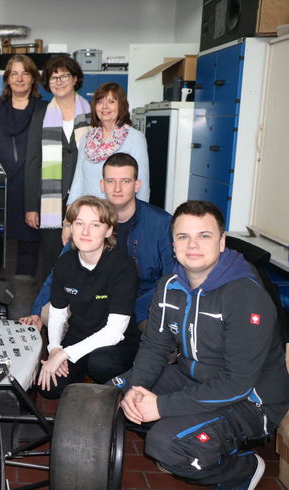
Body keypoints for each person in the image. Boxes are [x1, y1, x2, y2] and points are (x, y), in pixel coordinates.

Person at [112, 201, 289, 489]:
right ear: (173, 244)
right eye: (183, 237)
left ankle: (241, 468)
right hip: (193, 378)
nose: (192, 245)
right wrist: (137, 388)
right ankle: (189, 432)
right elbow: (155, 346)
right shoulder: (169, 285)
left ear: (221, 242)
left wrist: (161, 406)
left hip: (251, 400)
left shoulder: (244, 296)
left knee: (165, 445)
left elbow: (237, 384)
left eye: (204, 236)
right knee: (115, 397)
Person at [22, 152, 174, 331]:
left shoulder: (162, 223)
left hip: (143, 300)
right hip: (94, 298)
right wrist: (37, 311)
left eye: (125, 181)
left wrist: (141, 307)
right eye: (110, 181)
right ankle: (69, 351)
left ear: (136, 185)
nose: (117, 188)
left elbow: (170, 277)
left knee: (158, 332)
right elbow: (59, 272)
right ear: (102, 185)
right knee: (49, 313)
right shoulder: (88, 217)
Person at [35, 196, 139, 399]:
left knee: (101, 364)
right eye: (79, 223)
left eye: (95, 225)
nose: (85, 232)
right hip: (78, 335)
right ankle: (83, 373)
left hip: (116, 342)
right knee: (49, 388)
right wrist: (55, 349)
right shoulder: (64, 264)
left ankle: (113, 383)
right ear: (71, 227)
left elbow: (115, 331)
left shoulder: (122, 267)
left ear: (108, 231)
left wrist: (65, 354)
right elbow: (57, 313)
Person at [0, 54, 46, 280]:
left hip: (31, 190)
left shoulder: (45, 110)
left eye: (25, 73)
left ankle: (23, 300)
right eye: (14, 73)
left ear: (33, 79)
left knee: (29, 245)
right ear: (7, 79)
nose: (20, 78)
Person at [24, 55, 90, 280]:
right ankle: (52, 307)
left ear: (75, 79)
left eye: (64, 76)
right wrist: (31, 206)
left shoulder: (92, 113)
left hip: (86, 197)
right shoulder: (41, 114)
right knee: (53, 258)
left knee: (86, 254)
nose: (59, 81)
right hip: (50, 200)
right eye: (53, 78)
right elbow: (33, 161)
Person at [67, 82, 149, 205]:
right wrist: (70, 209)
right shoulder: (87, 138)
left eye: (111, 101)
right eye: (100, 102)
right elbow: (78, 178)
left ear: (121, 105)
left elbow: (142, 184)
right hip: (90, 212)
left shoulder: (135, 138)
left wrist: (141, 216)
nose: (104, 107)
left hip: (120, 213)